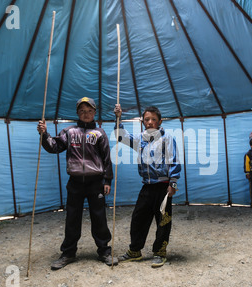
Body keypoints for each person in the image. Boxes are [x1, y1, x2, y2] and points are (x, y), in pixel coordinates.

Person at [37, 97, 117, 269]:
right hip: (75, 183)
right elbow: (54, 147)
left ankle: (104, 250)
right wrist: (44, 134)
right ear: (77, 113)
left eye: (89, 111)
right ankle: (68, 253)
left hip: (96, 183)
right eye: (82, 111)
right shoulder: (69, 132)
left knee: (99, 217)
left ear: (94, 112)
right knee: (72, 218)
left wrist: (107, 180)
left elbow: (107, 159)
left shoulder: (100, 133)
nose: (86, 114)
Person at [113, 104, 181, 268]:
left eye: (153, 119)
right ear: (143, 122)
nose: (150, 122)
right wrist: (118, 118)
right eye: (146, 119)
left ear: (159, 121)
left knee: (163, 221)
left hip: (163, 186)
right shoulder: (140, 139)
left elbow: (174, 160)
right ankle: (135, 251)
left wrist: (173, 183)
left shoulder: (167, 138)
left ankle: (159, 252)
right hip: (147, 186)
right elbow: (121, 137)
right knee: (138, 218)